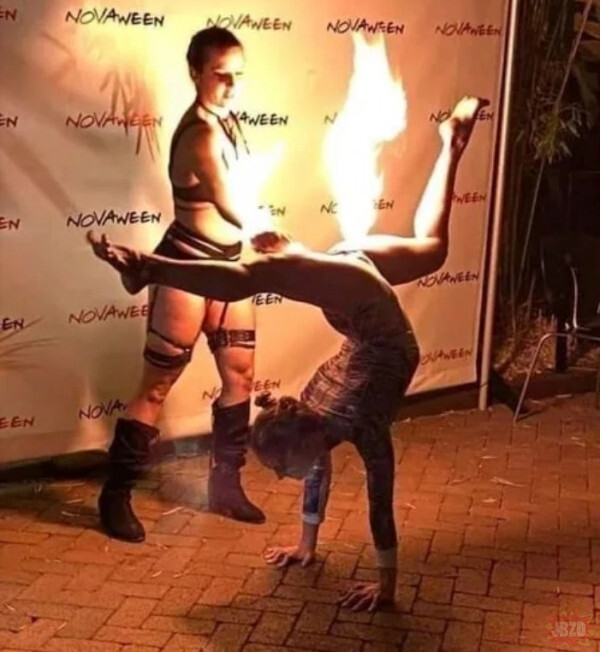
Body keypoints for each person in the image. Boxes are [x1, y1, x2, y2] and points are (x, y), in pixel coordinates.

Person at [88, 96, 488, 610]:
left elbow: (381, 507)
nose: (282, 478)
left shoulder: (356, 419)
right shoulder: (319, 414)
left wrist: (386, 588)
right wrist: (306, 545)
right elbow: (317, 471)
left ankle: (152, 268)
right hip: (359, 315)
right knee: (432, 249)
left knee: (251, 278)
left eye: (283, 468)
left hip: (367, 311)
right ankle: (451, 143)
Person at [99, 27, 267, 545]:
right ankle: (115, 496)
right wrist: (270, 234)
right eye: (221, 75)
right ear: (195, 74)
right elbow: (228, 201)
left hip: (228, 266)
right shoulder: (201, 135)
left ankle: (225, 487)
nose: (231, 85)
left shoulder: (228, 121)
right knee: (157, 385)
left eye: (238, 75)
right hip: (189, 266)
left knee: (240, 375)